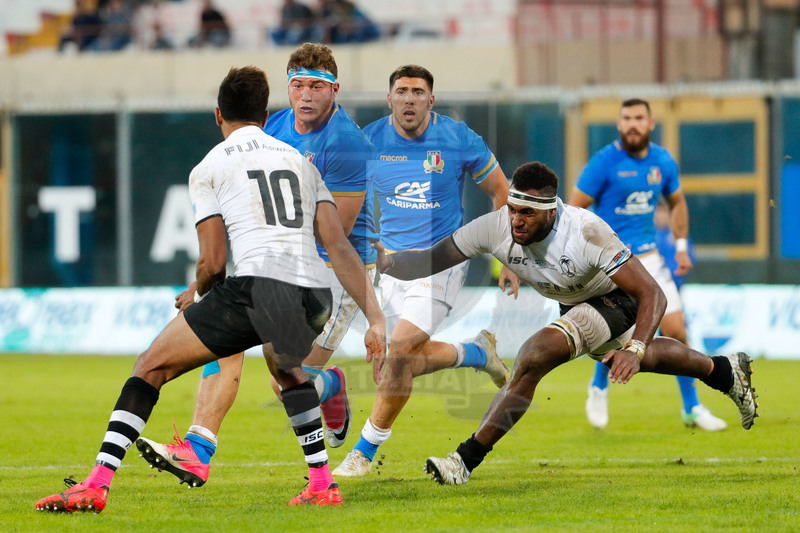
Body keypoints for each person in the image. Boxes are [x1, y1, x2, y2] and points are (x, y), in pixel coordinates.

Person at [34, 65, 386, 513]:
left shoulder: (210, 166)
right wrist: (376, 319)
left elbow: (213, 262)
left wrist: (201, 294)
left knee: (150, 367)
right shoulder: (301, 162)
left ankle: (96, 484)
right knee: (287, 372)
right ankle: (320, 483)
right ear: (265, 116)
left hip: (258, 288)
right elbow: (338, 245)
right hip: (315, 294)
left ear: (218, 114)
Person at [369, 161, 758, 486]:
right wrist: (389, 263)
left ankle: (464, 461)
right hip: (574, 303)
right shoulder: (494, 227)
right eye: (513, 210)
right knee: (649, 358)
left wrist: (635, 347)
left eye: (528, 213)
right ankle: (724, 371)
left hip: (616, 299)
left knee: (534, 355)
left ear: (552, 211)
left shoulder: (586, 232)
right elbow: (434, 258)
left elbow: (653, 294)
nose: (516, 221)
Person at [134, 43, 377, 488]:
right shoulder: (273, 127)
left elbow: (335, 233)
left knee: (286, 383)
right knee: (225, 338)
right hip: (276, 265)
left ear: (335, 90)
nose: (305, 95)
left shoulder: (348, 144)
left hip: (334, 269)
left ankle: (332, 387)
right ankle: (198, 448)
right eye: (298, 85)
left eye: (316, 86)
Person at [332, 64, 517, 477]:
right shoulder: (369, 142)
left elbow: (501, 192)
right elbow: (349, 201)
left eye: (418, 92)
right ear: (389, 99)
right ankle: (477, 353)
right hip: (391, 265)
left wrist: (505, 258)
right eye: (402, 91)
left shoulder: (457, 138)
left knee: (399, 351)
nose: (409, 99)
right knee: (398, 364)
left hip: (441, 260)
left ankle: (362, 453)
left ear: (431, 100)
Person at [568, 98, 726, 432]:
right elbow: (573, 211)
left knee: (677, 331)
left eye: (639, 118)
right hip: (612, 262)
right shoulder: (603, 162)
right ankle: (598, 386)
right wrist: (592, 248)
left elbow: (677, 202)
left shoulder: (663, 161)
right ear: (619, 124)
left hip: (651, 258)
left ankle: (692, 408)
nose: (632, 124)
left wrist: (681, 246)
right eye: (626, 118)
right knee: (615, 332)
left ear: (651, 124)